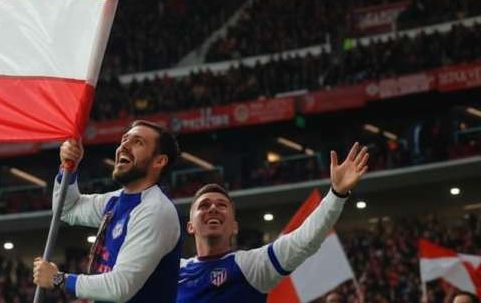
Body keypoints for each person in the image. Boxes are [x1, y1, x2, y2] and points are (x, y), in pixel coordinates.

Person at [178, 143, 371, 303]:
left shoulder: (250, 266)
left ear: (235, 227)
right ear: (190, 226)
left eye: (222, 205)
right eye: (204, 205)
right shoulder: (171, 272)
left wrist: (336, 194)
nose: (213, 208)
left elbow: (304, 239)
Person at [33, 120, 182, 303]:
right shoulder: (116, 200)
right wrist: (68, 168)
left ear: (159, 160)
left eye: (137, 142)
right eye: (124, 140)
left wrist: (58, 279)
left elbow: (120, 287)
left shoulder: (155, 210)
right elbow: (67, 210)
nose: (124, 145)